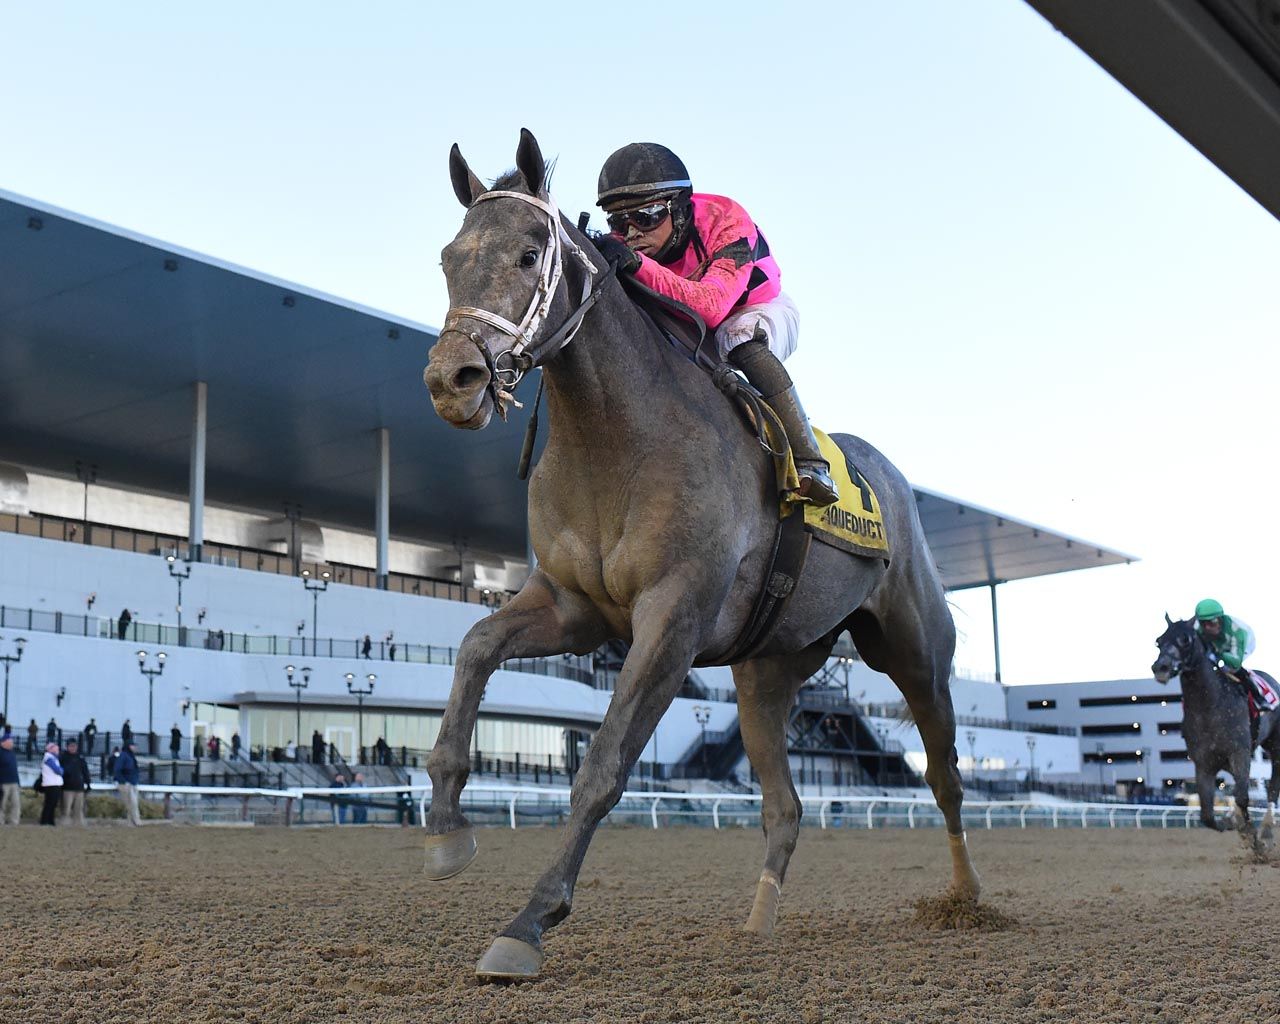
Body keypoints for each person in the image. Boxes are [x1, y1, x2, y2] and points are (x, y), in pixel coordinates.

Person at [594, 142, 837, 506]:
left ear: (678, 207)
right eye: (618, 222)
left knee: (737, 339)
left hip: (752, 310)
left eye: (645, 217)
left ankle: (810, 462)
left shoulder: (728, 220)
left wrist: (637, 266)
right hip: (684, 325)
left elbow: (711, 307)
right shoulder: (630, 240)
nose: (630, 233)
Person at [1195, 598, 1277, 711]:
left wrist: (1218, 654)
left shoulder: (1238, 631)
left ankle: (1260, 698)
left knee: (1231, 669)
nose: (1207, 627)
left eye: (1211, 622)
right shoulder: (1197, 628)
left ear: (1220, 619)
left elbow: (1235, 662)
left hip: (1241, 646)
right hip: (1218, 644)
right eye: (1203, 623)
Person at [58, 738, 91, 826]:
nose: (73, 748)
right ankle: (64, 824)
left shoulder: (80, 758)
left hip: (79, 787)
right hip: (67, 787)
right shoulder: (63, 757)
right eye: (71, 746)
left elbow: (85, 771)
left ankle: (78, 824)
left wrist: (88, 783)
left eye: (74, 746)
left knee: (79, 808)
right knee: (66, 808)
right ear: (67, 747)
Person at [113, 739, 142, 826]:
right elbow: (117, 769)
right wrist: (123, 781)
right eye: (133, 745)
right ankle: (136, 821)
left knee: (133, 803)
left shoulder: (131, 756)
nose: (134, 747)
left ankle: (130, 822)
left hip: (132, 783)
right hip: (126, 784)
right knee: (132, 803)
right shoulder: (124, 756)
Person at [39, 741, 64, 826]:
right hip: (51, 784)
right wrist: (61, 770)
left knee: (52, 804)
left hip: (54, 784)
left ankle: (50, 821)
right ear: (50, 749)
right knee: (50, 804)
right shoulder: (49, 758)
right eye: (56, 748)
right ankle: (45, 821)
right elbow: (58, 770)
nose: (58, 750)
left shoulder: (53, 758)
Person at [0, 734, 20, 825]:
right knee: (2, 804)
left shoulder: (12, 753)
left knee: (16, 803)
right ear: (3, 743)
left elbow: (15, 768)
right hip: (3, 783)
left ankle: (14, 821)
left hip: (14, 782)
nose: (12, 743)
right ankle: (1, 821)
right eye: (10, 741)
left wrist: (18, 782)